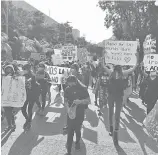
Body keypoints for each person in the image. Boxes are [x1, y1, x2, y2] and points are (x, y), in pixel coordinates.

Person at [103, 56, 138, 146]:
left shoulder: (123, 73)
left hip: (119, 97)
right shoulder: (111, 72)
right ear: (114, 70)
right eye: (116, 72)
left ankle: (115, 134)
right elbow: (103, 66)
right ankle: (111, 127)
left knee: (117, 115)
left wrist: (136, 58)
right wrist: (103, 57)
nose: (117, 74)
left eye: (118, 72)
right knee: (110, 113)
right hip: (111, 96)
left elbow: (133, 68)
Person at [64, 75, 90, 155]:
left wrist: (80, 101)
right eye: (68, 84)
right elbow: (65, 100)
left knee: (77, 129)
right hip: (71, 112)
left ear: (75, 82)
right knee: (70, 130)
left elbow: (88, 100)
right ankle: (68, 151)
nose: (69, 85)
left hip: (80, 112)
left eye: (71, 83)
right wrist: (68, 109)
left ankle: (77, 141)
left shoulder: (83, 88)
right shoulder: (67, 89)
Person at [21, 63, 41, 130]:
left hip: (32, 95)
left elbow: (31, 81)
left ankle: (29, 122)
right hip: (24, 95)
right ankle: (28, 119)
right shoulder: (23, 75)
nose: (23, 70)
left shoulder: (32, 76)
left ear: (28, 69)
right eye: (23, 69)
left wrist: (27, 80)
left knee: (30, 109)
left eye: (24, 69)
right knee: (23, 109)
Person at [2, 64, 18, 131]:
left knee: (10, 112)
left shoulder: (14, 77)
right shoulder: (3, 76)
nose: (8, 71)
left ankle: (12, 125)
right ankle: (10, 125)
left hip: (11, 97)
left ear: (12, 70)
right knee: (6, 112)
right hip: (4, 96)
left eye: (10, 69)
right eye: (7, 69)